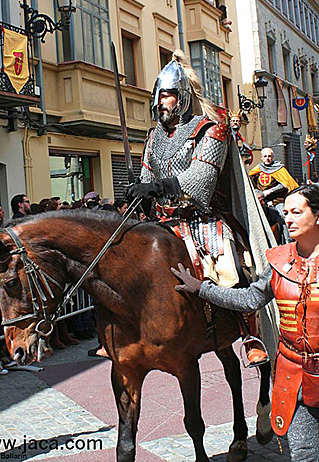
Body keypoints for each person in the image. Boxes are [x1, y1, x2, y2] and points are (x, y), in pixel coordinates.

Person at [127, 49, 268, 365]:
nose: (162, 102)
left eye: (169, 95)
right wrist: (140, 192)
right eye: (159, 96)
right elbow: (148, 175)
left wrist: (158, 186)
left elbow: (200, 180)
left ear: (183, 96)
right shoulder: (154, 137)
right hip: (165, 221)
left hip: (205, 220)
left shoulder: (211, 127)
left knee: (232, 266)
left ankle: (250, 334)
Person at [172, 184, 319, 462]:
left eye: (296, 212)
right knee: (304, 456)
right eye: (285, 212)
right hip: (294, 375)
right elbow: (250, 298)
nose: (287, 219)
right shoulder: (279, 260)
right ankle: (251, 339)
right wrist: (201, 288)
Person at [249, 148, 298, 212]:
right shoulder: (257, 169)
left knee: (282, 215)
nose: (267, 158)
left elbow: (285, 185)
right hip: (262, 199)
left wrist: (271, 190)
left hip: (277, 199)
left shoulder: (279, 169)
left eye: (269, 156)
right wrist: (258, 193)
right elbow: (252, 183)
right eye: (265, 156)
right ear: (262, 157)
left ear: (272, 157)